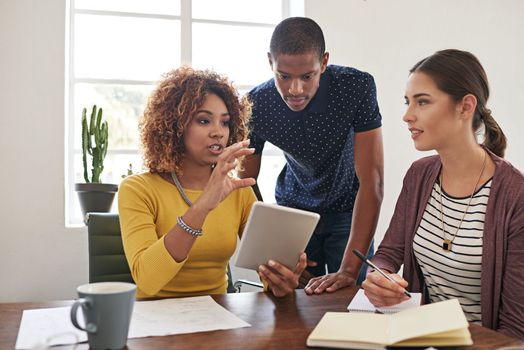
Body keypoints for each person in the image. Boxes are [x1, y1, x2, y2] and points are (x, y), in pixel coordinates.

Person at [362, 49, 524, 339]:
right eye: (408, 102)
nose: (407, 115)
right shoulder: (419, 175)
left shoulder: (515, 195)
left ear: (465, 107)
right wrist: (379, 277)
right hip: (422, 337)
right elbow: (388, 253)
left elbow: (516, 328)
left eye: (422, 102)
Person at [118, 67, 306, 299]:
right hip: (156, 319)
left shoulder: (239, 191)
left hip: (218, 315)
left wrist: (279, 281)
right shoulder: (137, 189)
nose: (218, 132)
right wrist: (203, 205)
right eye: (204, 120)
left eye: (225, 123)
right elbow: (147, 279)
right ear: (175, 126)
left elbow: (266, 270)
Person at [240, 17, 384, 294]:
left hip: (348, 210)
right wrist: (274, 248)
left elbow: (373, 181)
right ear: (270, 62)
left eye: (307, 76)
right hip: (293, 215)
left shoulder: (356, 86)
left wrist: (349, 272)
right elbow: (245, 183)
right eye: (284, 76)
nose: (296, 89)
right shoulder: (256, 104)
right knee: (293, 304)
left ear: (324, 62)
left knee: (353, 300)